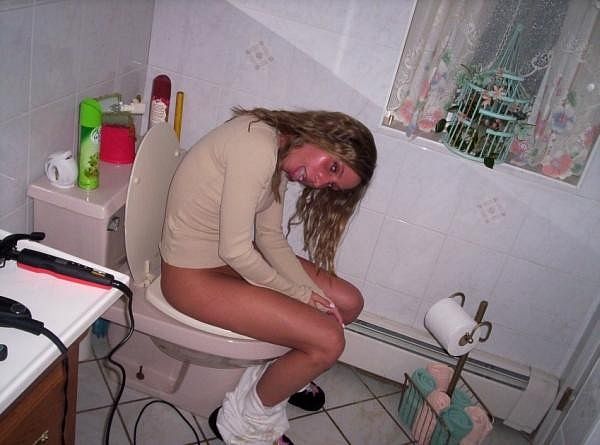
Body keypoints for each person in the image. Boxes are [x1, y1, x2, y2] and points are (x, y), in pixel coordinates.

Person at [160, 107, 377, 445]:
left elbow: (269, 237)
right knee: (329, 341)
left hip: (227, 260)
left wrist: (311, 295)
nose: (320, 182)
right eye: (332, 167)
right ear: (325, 135)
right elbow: (236, 251)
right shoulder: (256, 145)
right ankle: (244, 422)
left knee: (347, 303)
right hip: (190, 275)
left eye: (332, 183)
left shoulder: (281, 149)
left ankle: (277, 375)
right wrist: (301, 295)